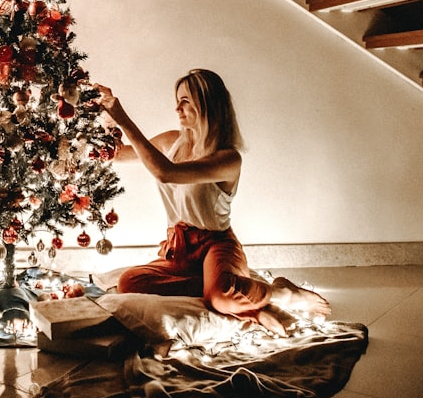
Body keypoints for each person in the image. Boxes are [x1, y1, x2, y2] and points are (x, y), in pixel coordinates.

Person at [95, 70, 331, 336]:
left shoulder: (227, 159)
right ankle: (238, 292)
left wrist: (124, 118)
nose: (177, 108)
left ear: (206, 104)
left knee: (219, 298)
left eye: (185, 101)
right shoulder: (171, 140)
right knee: (129, 282)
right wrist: (107, 116)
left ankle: (279, 293)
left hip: (216, 245)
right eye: (177, 100)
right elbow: (116, 156)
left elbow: (166, 172)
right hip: (180, 247)